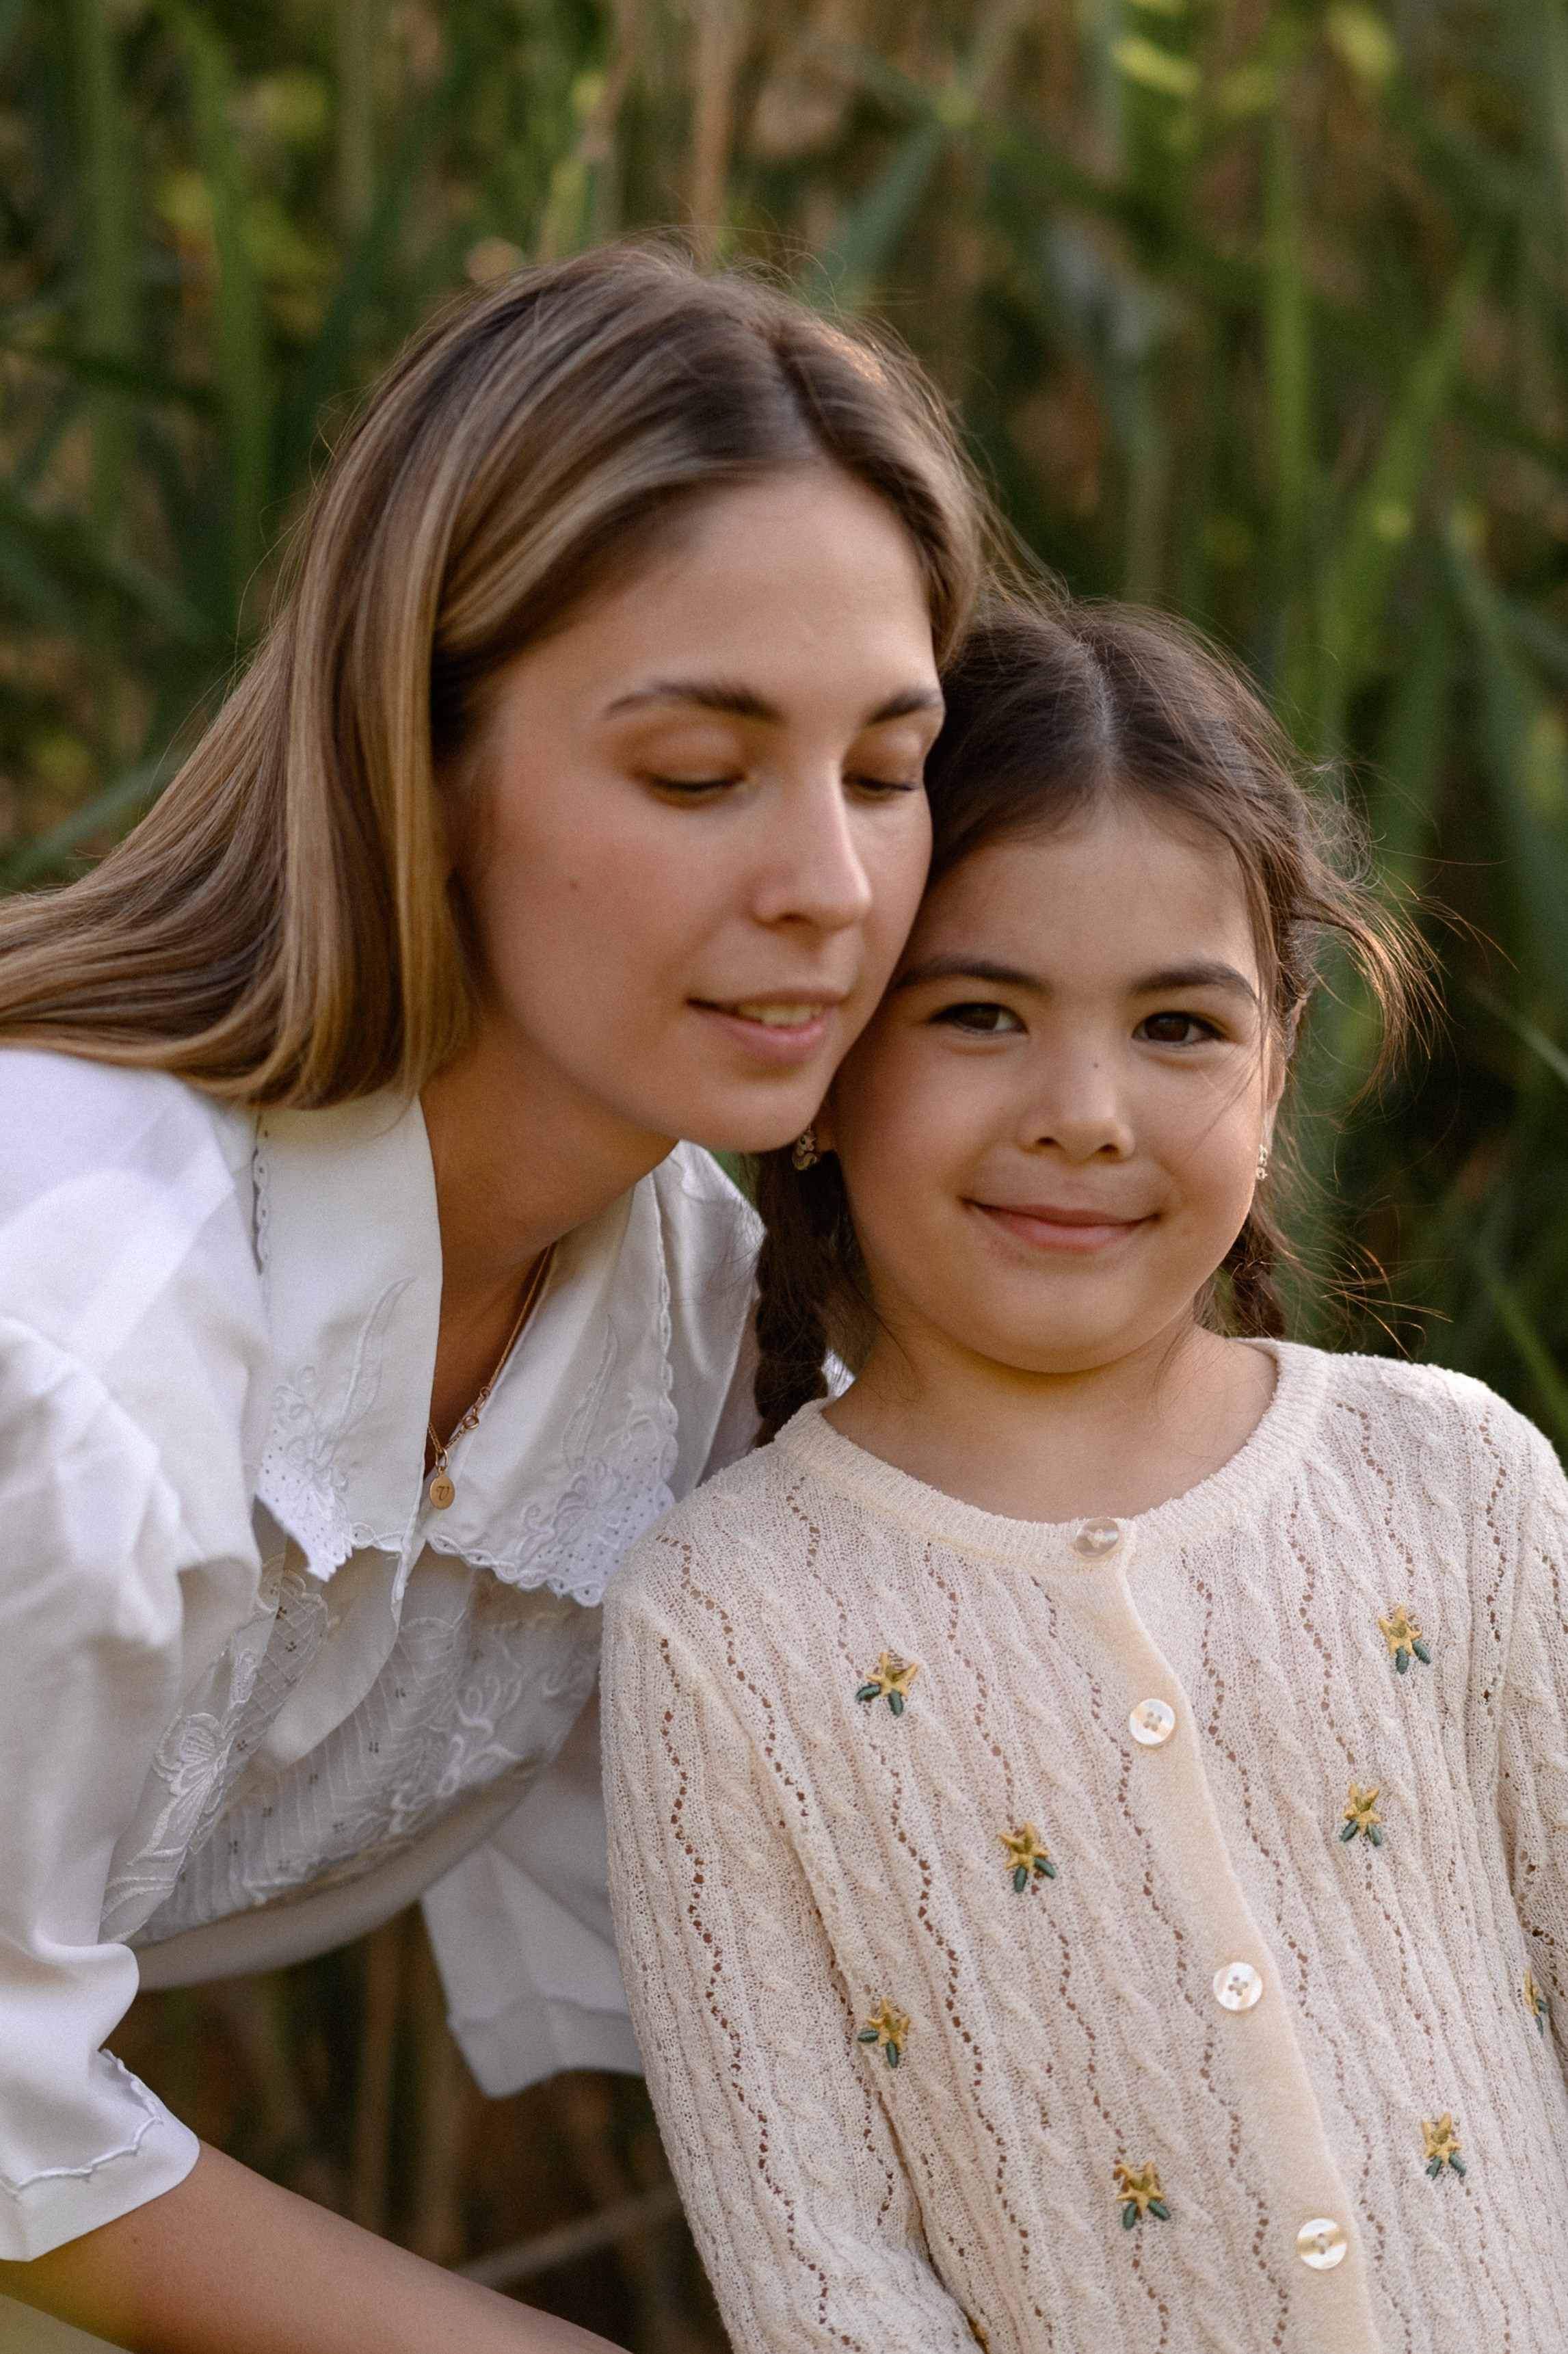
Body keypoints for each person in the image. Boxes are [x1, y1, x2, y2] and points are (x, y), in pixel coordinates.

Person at [0, 243, 983, 2353]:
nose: (825, 884)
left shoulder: (697, 1322)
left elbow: (878, 1959)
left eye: (886, 772)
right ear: (418, 765)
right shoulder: (71, 1339)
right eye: (698, 773)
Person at [603, 602, 1568, 2353]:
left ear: (1283, 1052)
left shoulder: (1457, 1487)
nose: (1086, 1110)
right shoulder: (726, 1630)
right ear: (822, 1064)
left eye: (1178, 1027)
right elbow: (827, 2278)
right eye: (980, 1012)